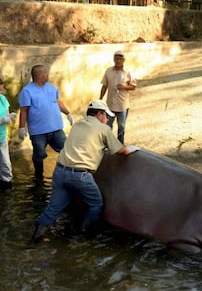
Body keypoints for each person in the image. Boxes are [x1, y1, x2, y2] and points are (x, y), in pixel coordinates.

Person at [30, 100, 137, 243]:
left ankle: (34, 240)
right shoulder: (103, 129)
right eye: (106, 116)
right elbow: (121, 150)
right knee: (95, 204)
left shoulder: (77, 124)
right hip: (80, 176)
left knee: (53, 209)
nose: (107, 120)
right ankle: (82, 237)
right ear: (100, 114)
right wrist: (134, 149)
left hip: (60, 172)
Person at [18, 65, 73, 185]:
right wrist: (21, 127)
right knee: (39, 155)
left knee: (67, 150)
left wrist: (68, 113)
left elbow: (58, 101)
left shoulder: (51, 87)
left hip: (56, 129)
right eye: (45, 73)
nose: (47, 75)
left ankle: (69, 174)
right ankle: (39, 178)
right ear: (39, 75)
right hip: (38, 131)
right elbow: (24, 110)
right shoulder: (27, 91)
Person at [100, 51, 136, 144]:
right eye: (116, 58)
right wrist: (100, 99)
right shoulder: (108, 71)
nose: (118, 60)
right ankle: (108, 144)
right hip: (110, 104)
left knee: (121, 126)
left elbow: (133, 87)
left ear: (124, 60)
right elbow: (104, 86)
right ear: (113, 59)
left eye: (120, 59)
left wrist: (125, 87)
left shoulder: (128, 72)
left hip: (122, 105)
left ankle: (120, 145)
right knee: (107, 126)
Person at [0, 77, 17, 190]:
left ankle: (6, 185)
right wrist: (3, 120)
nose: (1, 88)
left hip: (2, 137)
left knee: (5, 164)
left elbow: (6, 113)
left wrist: (10, 117)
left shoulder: (2, 99)